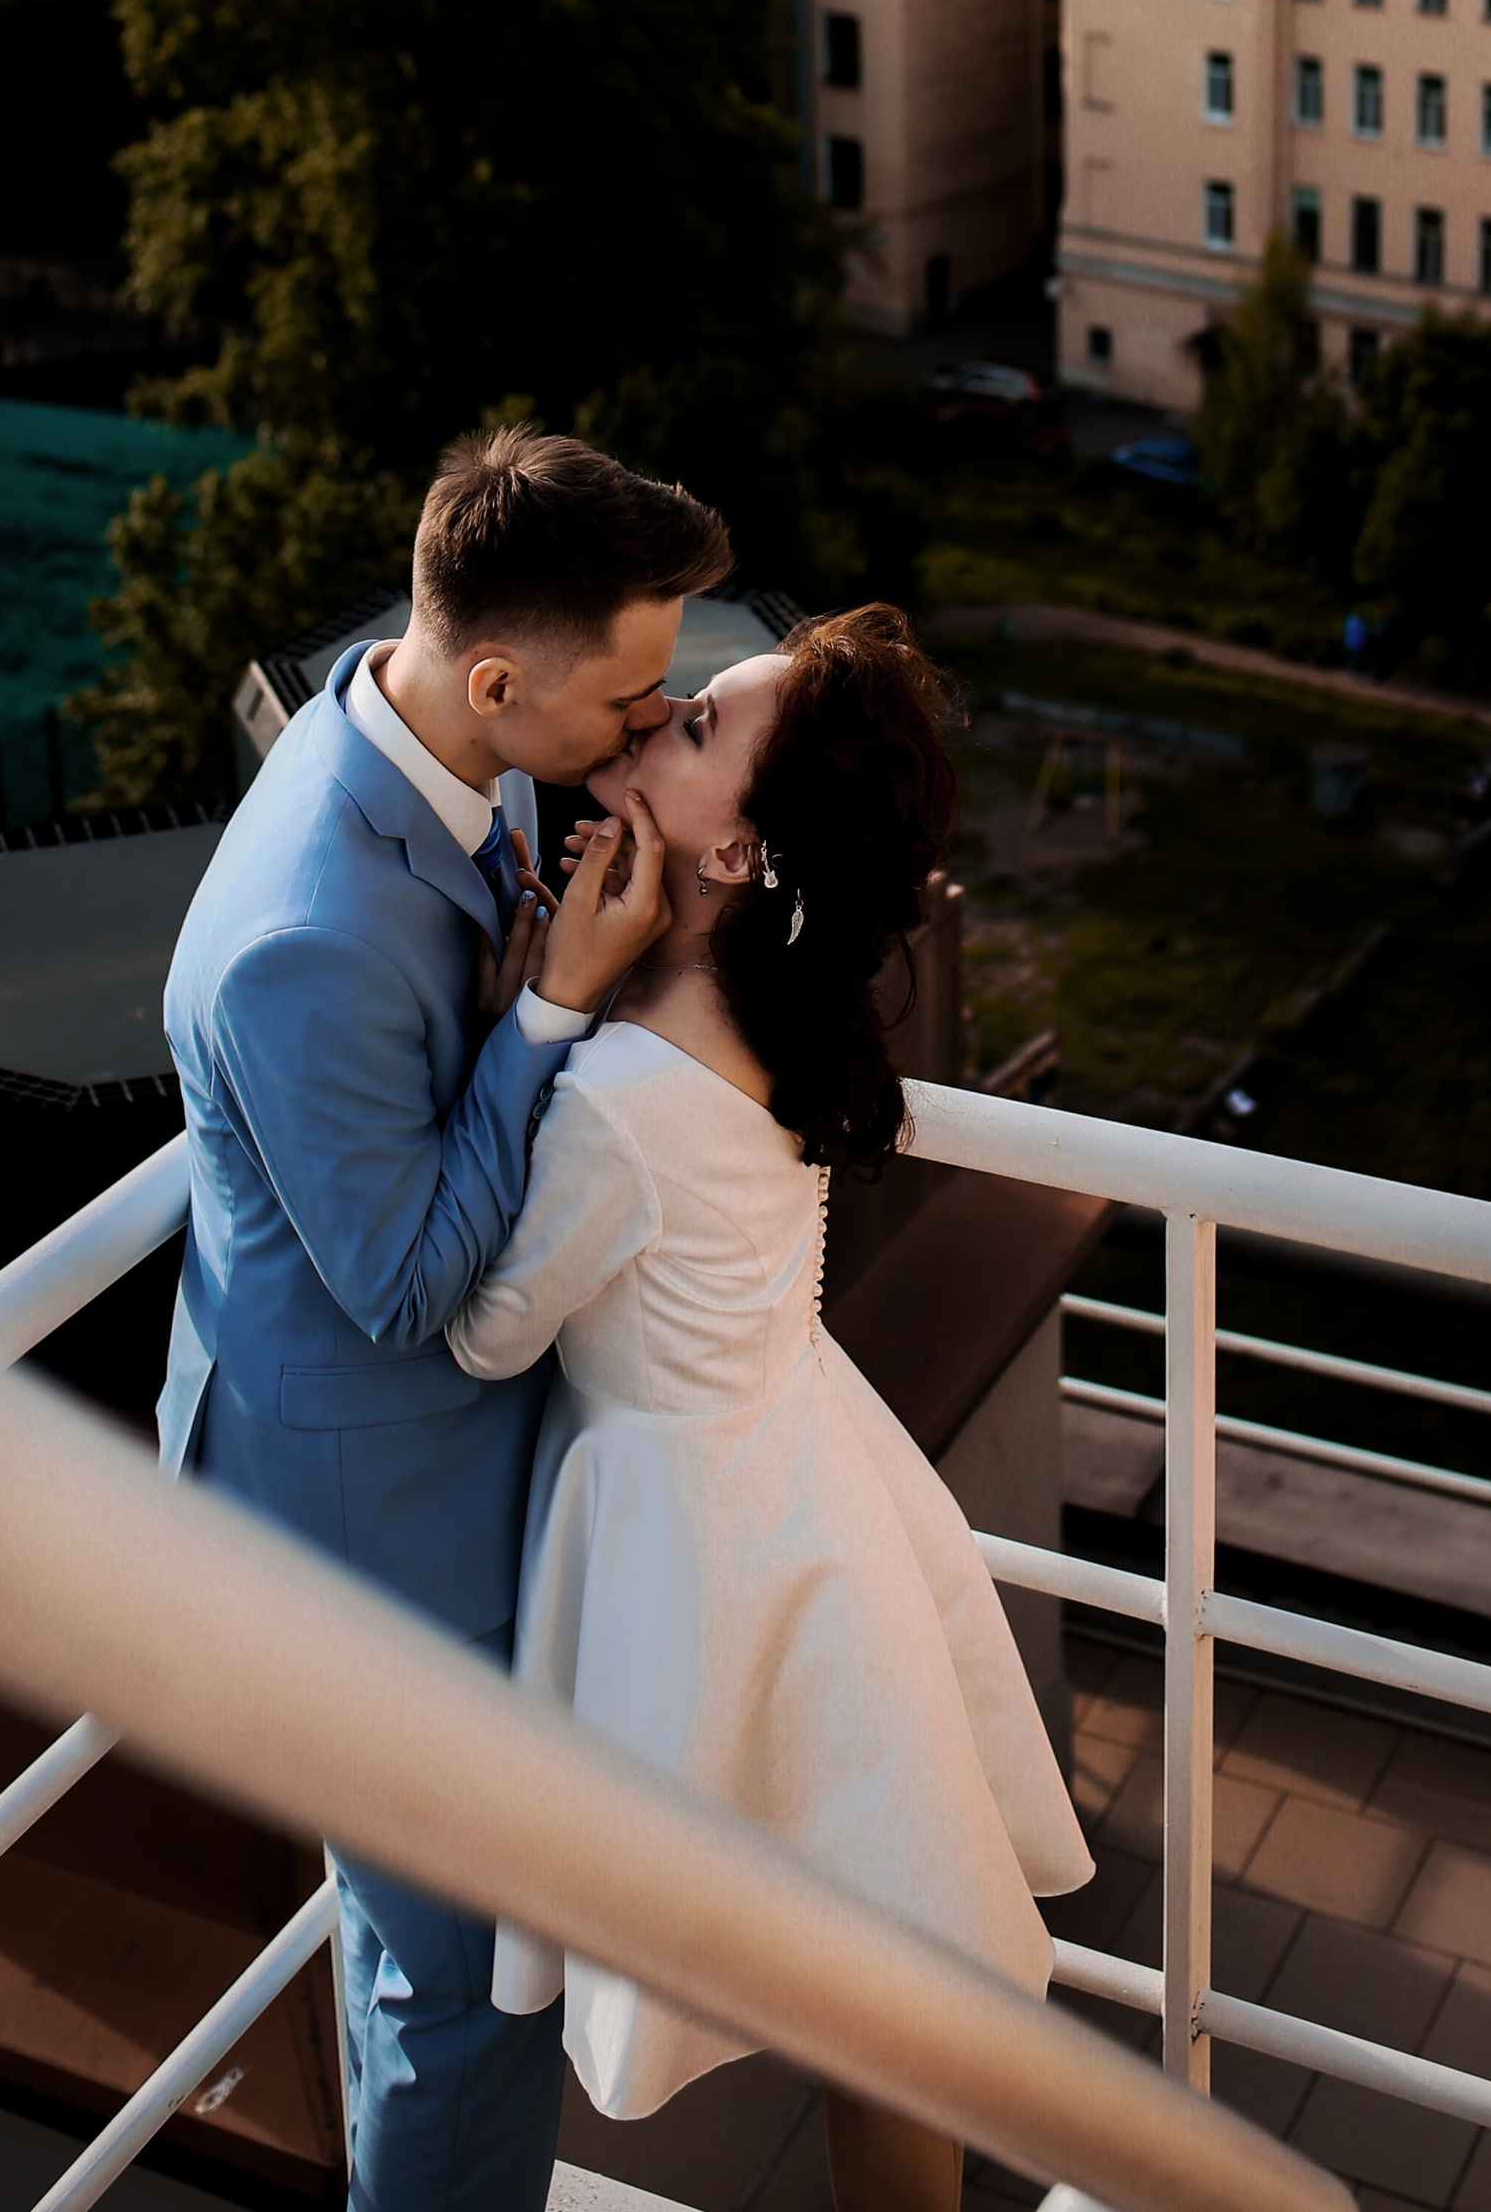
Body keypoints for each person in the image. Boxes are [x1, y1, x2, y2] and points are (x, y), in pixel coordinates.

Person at [449, 606, 1092, 2212]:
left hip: (706, 1557)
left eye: (692, 727)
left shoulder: (616, 1098)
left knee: (846, 1979)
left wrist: (523, 1018)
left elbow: (482, 1330)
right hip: (812, 1494)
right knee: (881, 1981)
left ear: (736, 852)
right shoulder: (767, 1030)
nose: (652, 719)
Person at [160, 425, 732, 2212]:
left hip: (430, 1458)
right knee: (470, 1972)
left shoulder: (427, 740)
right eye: (630, 699)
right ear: (496, 676)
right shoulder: (300, 934)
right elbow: (407, 1281)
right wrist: (552, 1008)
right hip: (362, 1504)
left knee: (423, 1932)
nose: (646, 730)